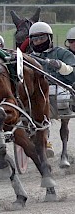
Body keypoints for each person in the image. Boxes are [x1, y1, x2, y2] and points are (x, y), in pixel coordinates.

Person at [28, 21, 75, 158]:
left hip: (60, 88)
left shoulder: (62, 53)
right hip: (37, 92)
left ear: (49, 38)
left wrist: (61, 66)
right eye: (35, 39)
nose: (38, 42)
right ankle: (43, 140)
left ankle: (64, 152)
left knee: (60, 99)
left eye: (41, 38)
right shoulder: (29, 58)